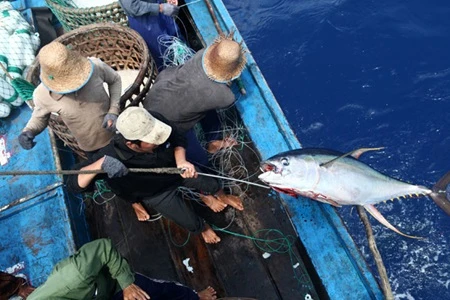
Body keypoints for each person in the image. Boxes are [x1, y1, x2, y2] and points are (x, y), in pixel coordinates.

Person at [66, 107, 244, 244]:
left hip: (175, 171)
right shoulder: (110, 154)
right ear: (132, 144)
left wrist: (181, 161)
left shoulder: (153, 119)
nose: (159, 140)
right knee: (188, 221)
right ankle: (203, 228)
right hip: (153, 193)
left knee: (210, 182)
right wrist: (100, 164)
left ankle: (223, 195)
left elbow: (177, 138)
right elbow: (73, 183)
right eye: (153, 140)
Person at [143, 33, 246, 165]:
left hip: (156, 96)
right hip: (170, 124)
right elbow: (224, 95)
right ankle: (210, 151)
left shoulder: (200, 54)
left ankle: (213, 139)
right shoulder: (226, 97)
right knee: (198, 157)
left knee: (203, 103)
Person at [1, 238, 217, 300]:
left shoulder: (75, 274)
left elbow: (103, 247)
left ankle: (194, 296)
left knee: (159, 291)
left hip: (113, 286)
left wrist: (126, 284)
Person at [18, 41, 122, 157]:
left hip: (118, 132)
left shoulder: (95, 67)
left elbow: (115, 80)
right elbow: (39, 117)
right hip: (91, 147)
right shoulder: (42, 95)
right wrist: (28, 131)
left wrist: (113, 110)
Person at [118, 0, 181, 69]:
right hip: (145, 22)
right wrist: (159, 8)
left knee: (180, 47)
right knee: (164, 58)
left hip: (162, 12)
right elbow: (132, 6)